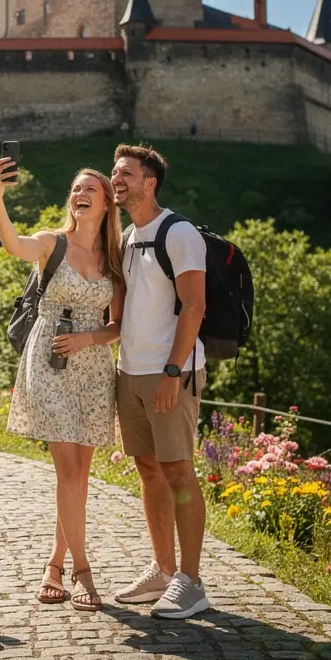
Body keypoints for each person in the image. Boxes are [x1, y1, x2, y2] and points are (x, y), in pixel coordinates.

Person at [0, 158, 124, 611]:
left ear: (106, 203)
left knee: (80, 475)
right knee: (68, 470)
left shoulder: (114, 259)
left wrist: (90, 338)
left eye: (90, 187)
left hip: (94, 369)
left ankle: (54, 563)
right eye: (74, 187)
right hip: (48, 360)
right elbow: (12, 244)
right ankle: (83, 571)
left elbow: (116, 327)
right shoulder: (53, 243)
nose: (79, 192)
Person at [110, 144, 210, 619]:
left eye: (125, 173)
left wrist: (173, 371)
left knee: (178, 471)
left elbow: (195, 306)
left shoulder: (179, 232)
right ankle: (163, 570)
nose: (116, 179)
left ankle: (192, 582)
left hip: (170, 372)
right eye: (115, 172)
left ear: (150, 182)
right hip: (130, 372)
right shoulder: (128, 236)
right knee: (149, 469)